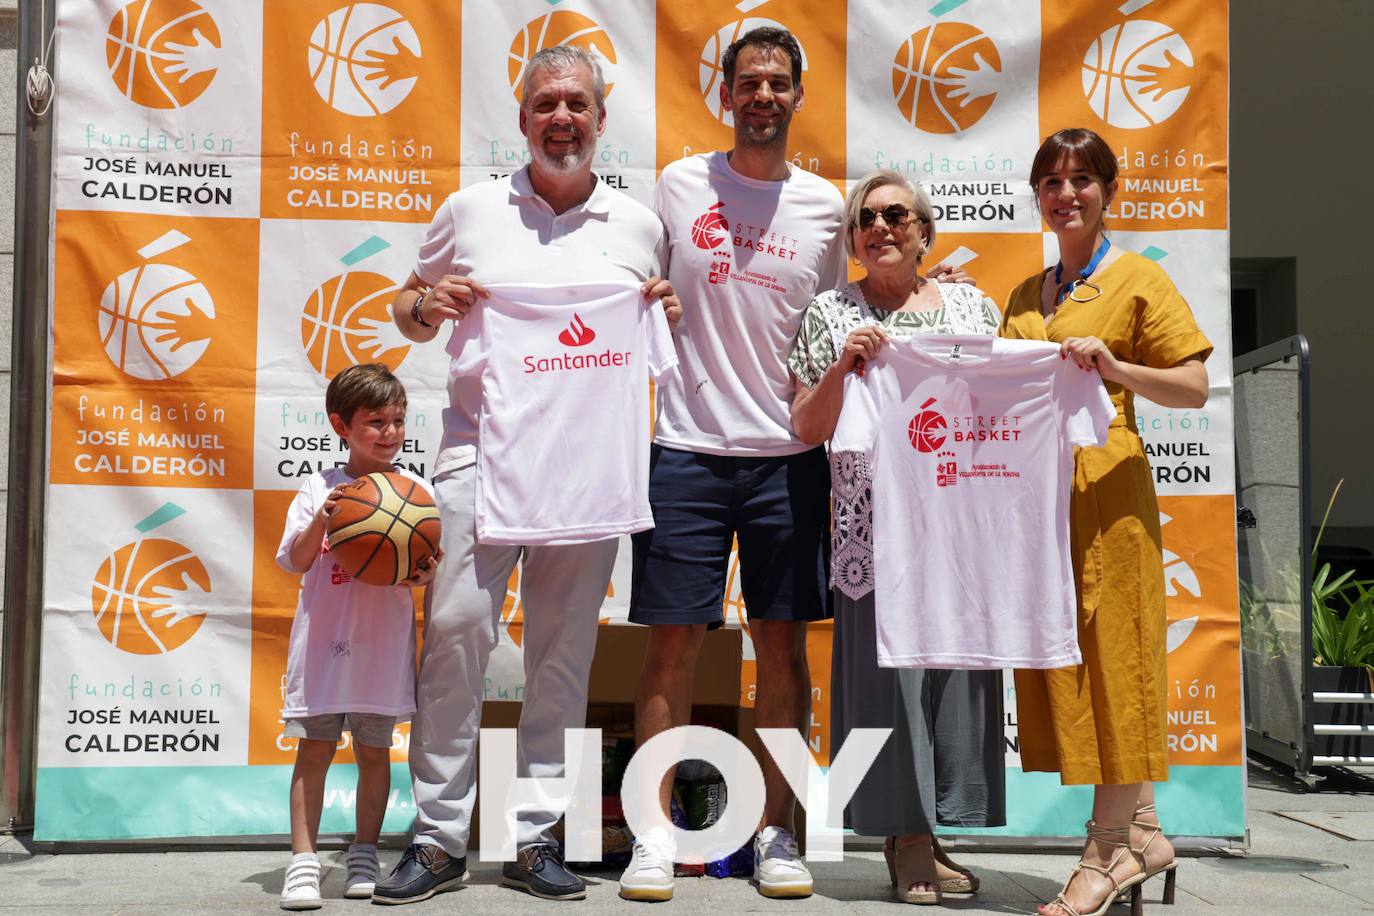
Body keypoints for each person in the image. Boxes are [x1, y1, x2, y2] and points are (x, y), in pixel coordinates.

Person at [621, 28, 969, 904]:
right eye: (749, 82)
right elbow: (632, 281)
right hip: (685, 451)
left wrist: (938, 291)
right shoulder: (677, 184)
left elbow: (852, 310)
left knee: (784, 652)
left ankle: (777, 833)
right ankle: (655, 838)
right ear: (726, 95)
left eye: (778, 82)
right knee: (670, 652)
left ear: (797, 95)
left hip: (791, 458)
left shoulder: (826, 208)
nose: (763, 95)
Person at [372, 46, 679, 905]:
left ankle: (535, 835)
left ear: (601, 118)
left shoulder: (639, 225)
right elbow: (407, 304)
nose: (562, 119)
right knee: (458, 639)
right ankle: (436, 838)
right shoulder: (470, 212)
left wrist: (665, 311)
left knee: (561, 654)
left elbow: (662, 326)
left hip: (587, 474)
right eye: (546, 103)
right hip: (481, 455)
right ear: (522, 119)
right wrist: (425, 306)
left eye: (577, 103)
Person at [1000, 128, 1211, 916]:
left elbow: (1192, 385)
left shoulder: (1136, 280)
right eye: (1051, 181)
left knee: (1118, 655)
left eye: (1082, 179)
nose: (1066, 194)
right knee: (1077, 664)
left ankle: (1104, 854)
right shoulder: (1028, 293)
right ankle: (1147, 828)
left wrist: (1118, 369)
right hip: (1041, 497)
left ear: (1108, 191)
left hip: (1111, 493)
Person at [788, 170, 1006, 906]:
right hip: (873, 530)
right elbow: (806, 428)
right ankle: (903, 839)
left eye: (898, 215)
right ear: (852, 238)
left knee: (953, 682)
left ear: (924, 232)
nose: (882, 226)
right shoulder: (829, 313)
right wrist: (845, 369)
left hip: (961, 528)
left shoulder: (973, 307)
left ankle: (933, 831)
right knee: (888, 686)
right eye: (868, 218)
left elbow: (999, 405)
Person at [275, 363, 440, 911]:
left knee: (375, 755)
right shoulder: (316, 487)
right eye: (376, 422)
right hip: (323, 648)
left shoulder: (416, 491)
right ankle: (303, 861)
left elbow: (426, 567)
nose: (390, 432)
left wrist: (422, 571)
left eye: (398, 420)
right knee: (314, 753)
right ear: (341, 425)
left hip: (382, 650)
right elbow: (297, 563)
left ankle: (365, 850)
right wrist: (324, 520)